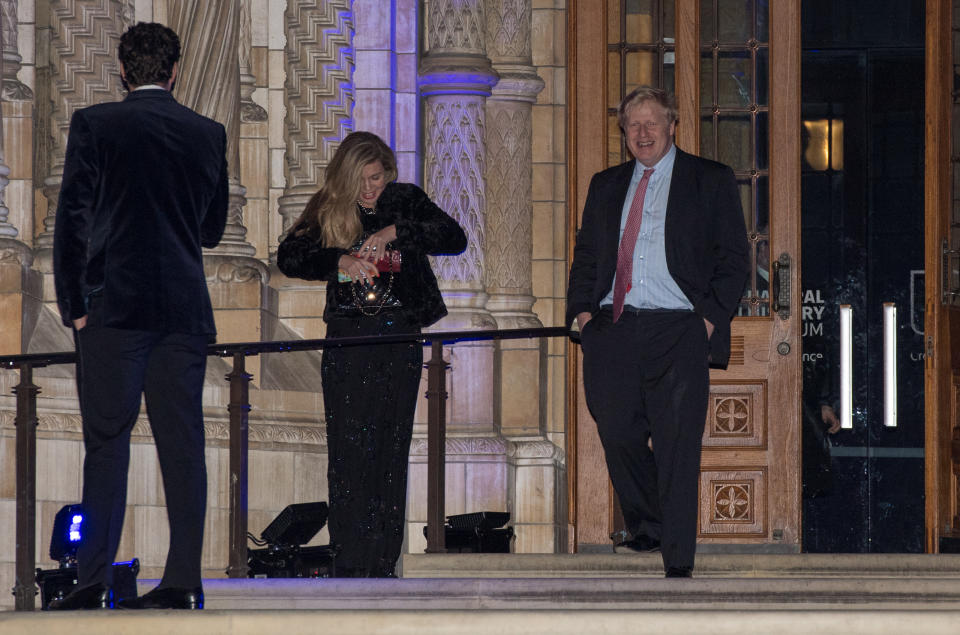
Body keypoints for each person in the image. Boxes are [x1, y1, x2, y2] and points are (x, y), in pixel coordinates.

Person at [51, 22, 228, 610]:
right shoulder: (207, 133)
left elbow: (72, 221)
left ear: (123, 71)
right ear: (174, 71)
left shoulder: (96, 125)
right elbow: (211, 229)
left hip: (115, 309)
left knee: (107, 443)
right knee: (184, 444)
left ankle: (93, 580)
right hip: (182, 310)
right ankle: (183, 581)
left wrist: (74, 306)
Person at [566, 86, 749, 578]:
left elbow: (734, 262)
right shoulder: (605, 185)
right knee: (618, 432)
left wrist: (706, 322)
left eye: (652, 123)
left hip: (679, 330)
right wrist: (584, 317)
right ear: (623, 132)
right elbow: (586, 258)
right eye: (633, 125)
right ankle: (649, 523)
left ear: (672, 126)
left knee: (676, 445)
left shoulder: (709, 180)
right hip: (614, 329)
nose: (643, 133)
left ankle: (678, 563)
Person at [277, 131, 466, 577]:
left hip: (399, 338)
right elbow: (289, 256)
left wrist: (393, 230)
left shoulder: (404, 200)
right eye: (361, 180)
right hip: (348, 341)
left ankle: (382, 561)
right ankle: (350, 561)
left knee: (390, 448)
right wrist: (340, 260)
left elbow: (453, 237)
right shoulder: (328, 205)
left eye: (377, 178)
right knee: (349, 453)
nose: (370, 189)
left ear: (389, 173)